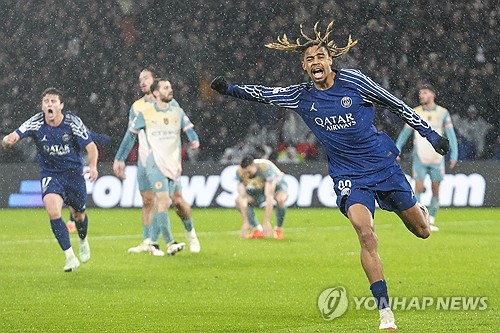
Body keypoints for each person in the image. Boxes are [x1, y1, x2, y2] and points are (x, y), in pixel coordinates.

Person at [210, 21, 450, 330]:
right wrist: (230, 90)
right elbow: (265, 94)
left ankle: (420, 212)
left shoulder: (354, 81)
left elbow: (396, 104)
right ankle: (385, 311)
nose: (315, 62)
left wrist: (431, 135)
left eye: (320, 56)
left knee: (422, 231)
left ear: (330, 60)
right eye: (309, 59)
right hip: (348, 173)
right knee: (364, 231)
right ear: (304, 66)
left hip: (382, 164)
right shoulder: (302, 95)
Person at [2, 87, 98, 272]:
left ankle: (83, 240)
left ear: (61, 105)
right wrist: (8, 140)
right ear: (42, 106)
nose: (49, 104)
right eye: (46, 101)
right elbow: (16, 134)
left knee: (78, 215)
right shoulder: (36, 122)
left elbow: (91, 146)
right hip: (51, 174)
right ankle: (70, 257)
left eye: (53, 101)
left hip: (73, 174)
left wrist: (93, 166)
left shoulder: (72, 122)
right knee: (53, 211)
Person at [113, 68, 201, 254]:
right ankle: (150, 241)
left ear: (154, 83)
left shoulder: (172, 105)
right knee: (149, 200)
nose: (142, 82)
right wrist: (120, 159)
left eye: (146, 78)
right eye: (140, 79)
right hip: (147, 160)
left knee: (176, 201)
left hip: (170, 161)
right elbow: (130, 136)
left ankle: (190, 232)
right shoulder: (137, 108)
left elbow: (185, 125)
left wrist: (193, 139)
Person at [395, 84, 458, 231]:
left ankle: (433, 219)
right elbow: (405, 133)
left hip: (437, 158)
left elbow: (451, 136)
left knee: (435, 188)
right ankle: (420, 219)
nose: (421, 95)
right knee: (418, 187)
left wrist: (454, 154)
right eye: (420, 93)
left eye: (424, 93)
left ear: (432, 95)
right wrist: (397, 149)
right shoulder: (415, 112)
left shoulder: (443, 113)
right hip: (420, 157)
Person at [236, 155, 288, 239]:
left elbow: (269, 196)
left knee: (280, 199)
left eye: (249, 172)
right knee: (238, 201)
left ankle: (278, 229)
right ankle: (257, 230)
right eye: (245, 172)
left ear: (253, 166)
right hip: (258, 187)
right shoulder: (240, 172)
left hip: (278, 186)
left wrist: (266, 221)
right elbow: (242, 197)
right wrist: (245, 222)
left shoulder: (265, 168)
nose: (247, 174)